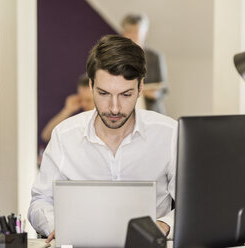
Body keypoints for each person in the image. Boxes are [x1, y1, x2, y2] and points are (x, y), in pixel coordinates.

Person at [28, 35, 177, 242]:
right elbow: (40, 201)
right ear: (91, 85)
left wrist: (165, 224)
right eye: (104, 93)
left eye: (125, 95)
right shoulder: (64, 136)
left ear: (141, 87)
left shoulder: (169, 134)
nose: (114, 108)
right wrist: (57, 226)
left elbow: (194, 204)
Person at [121, 13, 168, 114]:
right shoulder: (117, 57)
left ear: (145, 33)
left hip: (151, 110)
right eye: (129, 32)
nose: (132, 36)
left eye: (136, 32)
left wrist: (154, 94)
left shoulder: (155, 57)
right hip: (126, 111)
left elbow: (163, 88)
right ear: (123, 33)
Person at [40, 75, 94, 143]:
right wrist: (67, 110)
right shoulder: (79, 119)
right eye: (81, 99)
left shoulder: (107, 120)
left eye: (88, 100)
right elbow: (46, 136)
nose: (83, 104)